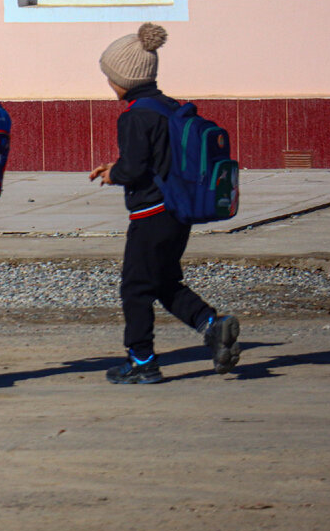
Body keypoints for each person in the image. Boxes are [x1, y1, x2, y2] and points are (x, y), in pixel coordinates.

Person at [89, 23, 241, 384]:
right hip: (177, 211)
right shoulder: (168, 107)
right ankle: (211, 324)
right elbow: (156, 159)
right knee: (163, 279)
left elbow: (136, 165)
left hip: (150, 213)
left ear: (124, 79)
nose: (109, 84)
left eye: (110, 77)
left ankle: (142, 361)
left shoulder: (134, 116)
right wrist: (121, 168)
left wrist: (115, 173)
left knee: (135, 287)